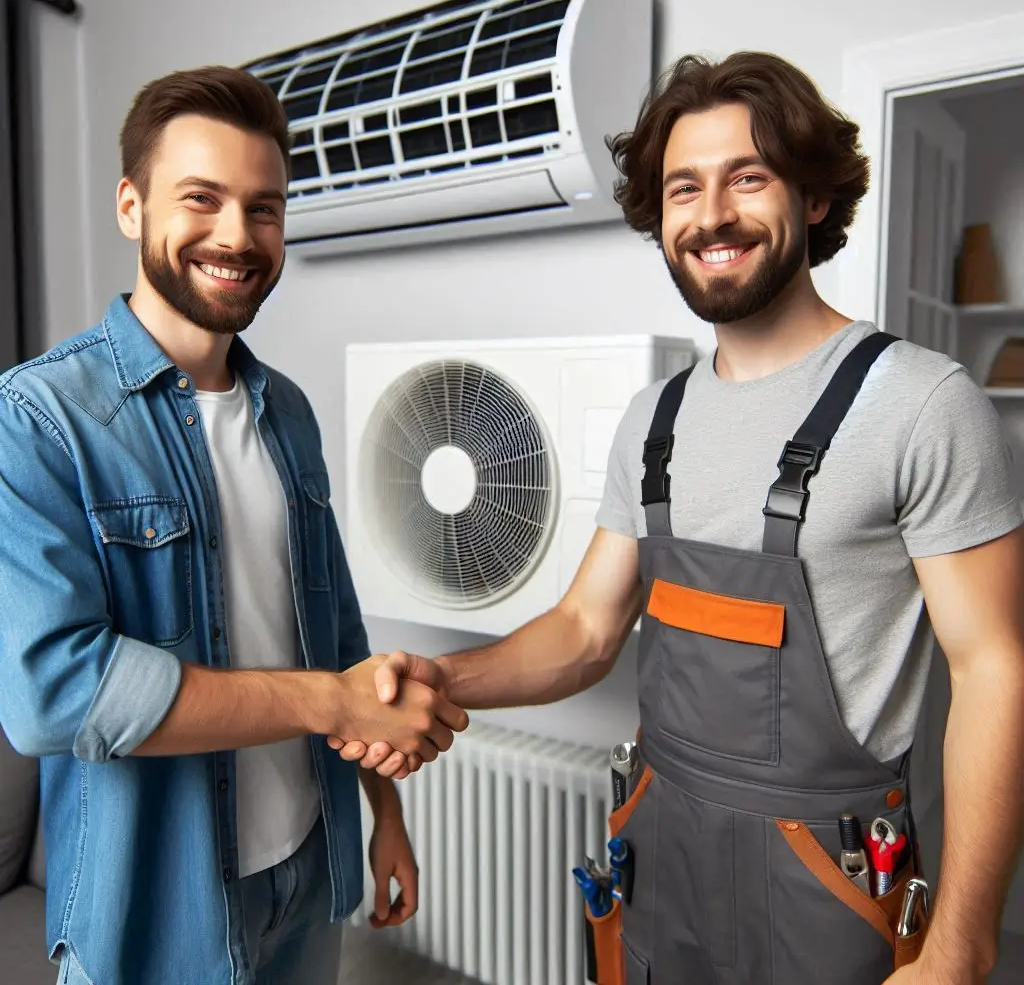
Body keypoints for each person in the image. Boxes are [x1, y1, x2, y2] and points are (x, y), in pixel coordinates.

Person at [334, 52, 1024, 984]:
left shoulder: (921, 403)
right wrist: (437, 674)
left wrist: (961, 946)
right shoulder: (651, 422)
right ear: (659, 220)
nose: (713, 216)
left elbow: (993, 668)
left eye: (750, 176)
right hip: (662, 862)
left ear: (813, 198)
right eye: (683, 189)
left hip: (833, 888)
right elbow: (583, 633)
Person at [0, 65, 469, 985]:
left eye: (264, 208)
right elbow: (54, 692)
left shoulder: (285, 410)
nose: (236, 236)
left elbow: (338, 637)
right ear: (132, 206)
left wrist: (386, 818)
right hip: (152, 911)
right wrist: (329, 703)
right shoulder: (37, 417)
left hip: (304, 869)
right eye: (201, 200)